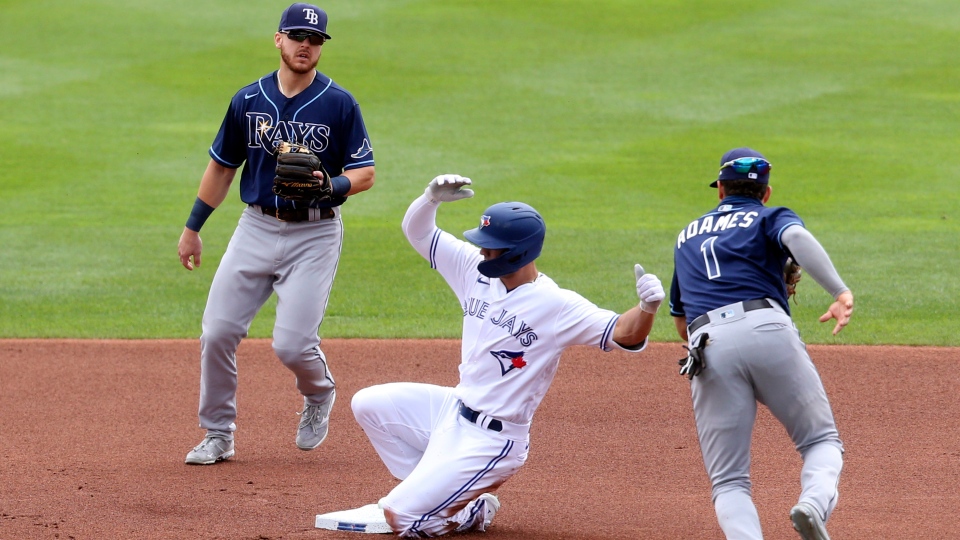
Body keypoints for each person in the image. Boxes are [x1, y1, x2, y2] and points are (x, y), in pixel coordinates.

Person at [347, 174, 666, 537]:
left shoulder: (555, 305)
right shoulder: (473, 270)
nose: (482, 251)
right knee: (368, 403)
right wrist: (428, 199)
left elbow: (623, 333)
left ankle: (465, 512)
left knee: (401, 517)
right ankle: (447, 491)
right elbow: (419, 234)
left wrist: (646, 307)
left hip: (493, 440)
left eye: (492, 247)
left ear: (519, 251)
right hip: (452, 412)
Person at [177, 2, 375, 465]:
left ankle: (318, 394)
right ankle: (218, 433)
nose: (306, 45)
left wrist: (333, 184)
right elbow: (221, 169)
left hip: (315, 234)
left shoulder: (339, 103)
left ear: (321, 47)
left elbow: (364, 173)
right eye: (297, 36)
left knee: (291, 344)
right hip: (256, 226)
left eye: (315, 40)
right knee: (218, 332)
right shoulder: (247, 100)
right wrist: (192, 228)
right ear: (278, 39)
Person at [668, 147, 854, 540]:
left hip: (707, 344)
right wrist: (838, 291)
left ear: (720, 189)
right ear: (765, 193)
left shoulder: (686, 235)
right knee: (820, 440)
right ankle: (813, 505)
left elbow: (681, 323)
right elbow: (797, 238)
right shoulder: (771, 216)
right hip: (768, 328)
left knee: (729, 481)